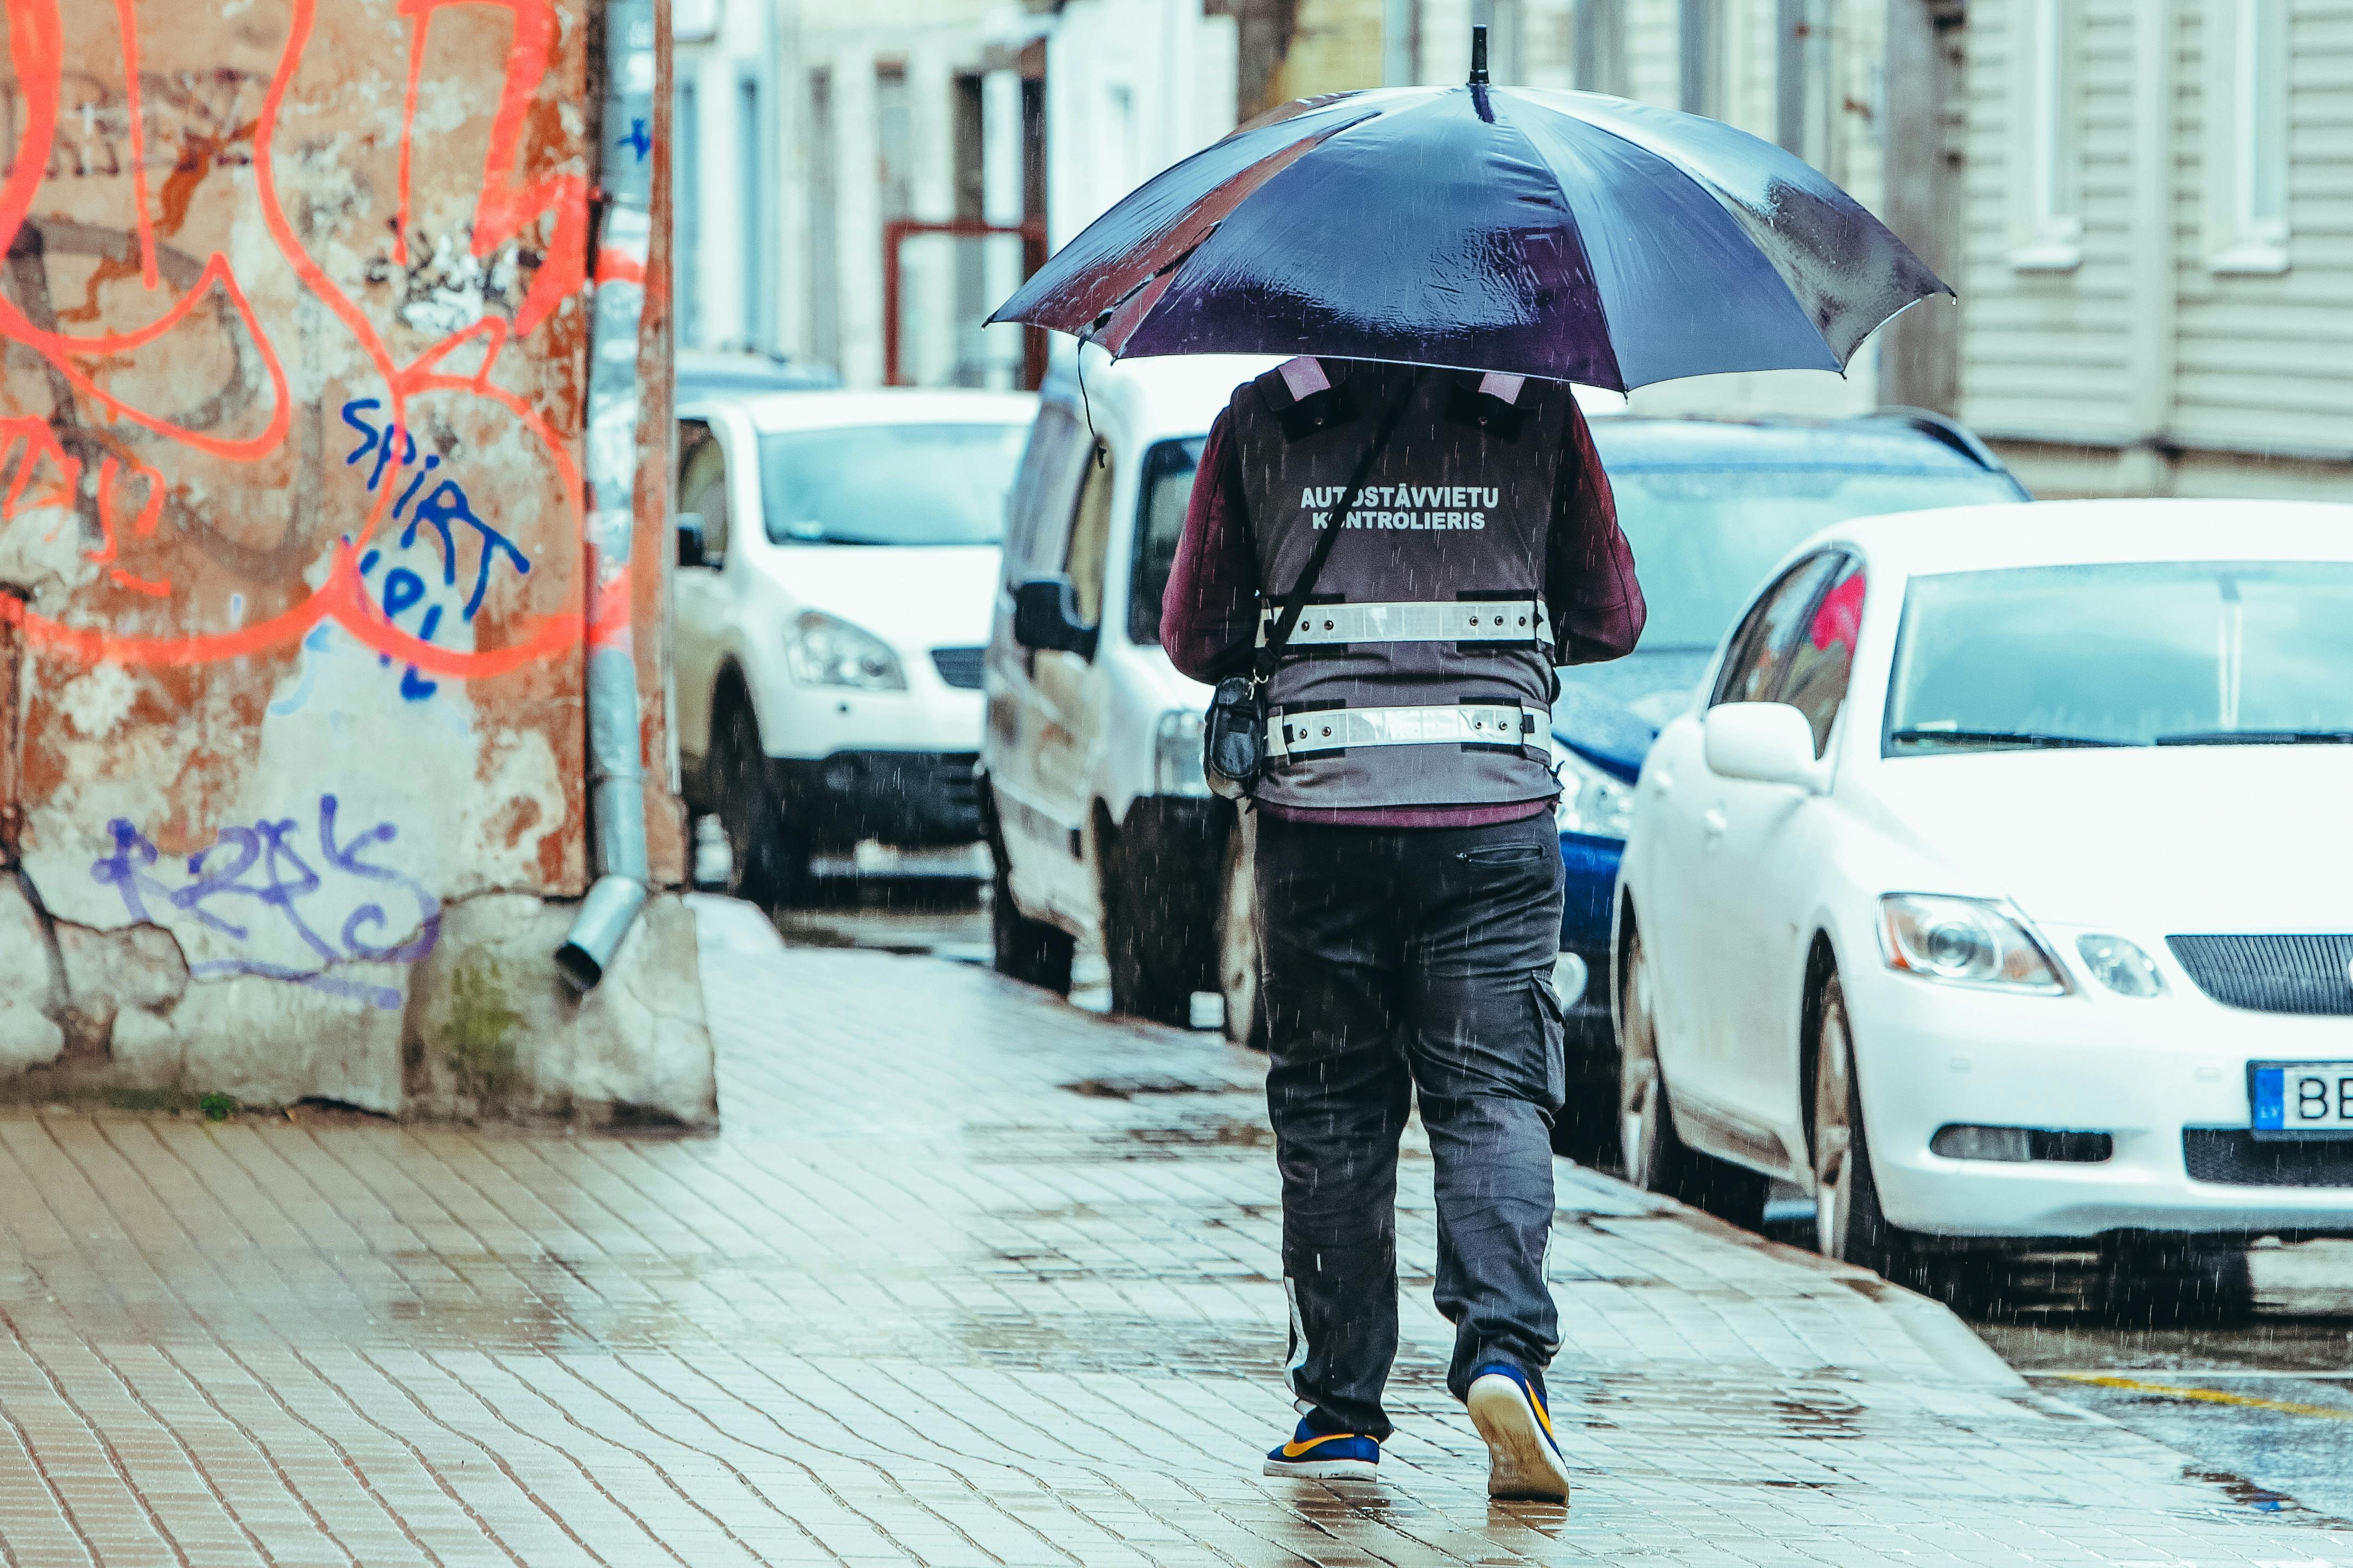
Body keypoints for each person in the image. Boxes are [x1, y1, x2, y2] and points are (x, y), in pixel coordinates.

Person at [1161, 356, 1642, 1502]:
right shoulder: (1530, 407)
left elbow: (1193, 633)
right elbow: (1613, 615)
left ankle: (1337, 1411)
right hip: (1490, 812)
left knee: (1333, 1105)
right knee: (1493, 1091)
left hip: (1320, 819)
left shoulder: (1268, 414)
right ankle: (1503, 1352)